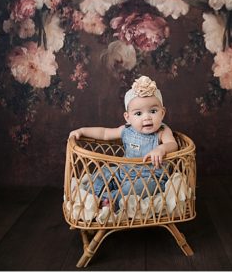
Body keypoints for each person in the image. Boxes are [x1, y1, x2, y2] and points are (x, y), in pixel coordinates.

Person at [68, 76, 177, 214]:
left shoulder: (162, 131)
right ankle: (96, 193)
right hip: (123, 172)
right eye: (138, 113)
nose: (147, 117)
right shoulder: (126, 130)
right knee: (102, 174)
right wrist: (82, 131)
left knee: (136, 189)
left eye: (153, 111)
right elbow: (104, 133)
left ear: (162, 113)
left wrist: (161, 148)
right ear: (128, 117)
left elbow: (173, 144)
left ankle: (108, 200)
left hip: (151, 177)